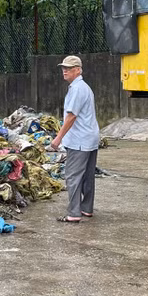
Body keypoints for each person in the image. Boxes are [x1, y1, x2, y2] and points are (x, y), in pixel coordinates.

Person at [49, 55, 100, 223]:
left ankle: (73, 213)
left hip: (79, 140)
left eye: (69, 68)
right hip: (90, 138)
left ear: (78, 70)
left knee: (72, 176)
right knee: (87, 176)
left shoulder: (77, 89)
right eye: (63, 68)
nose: (65, 71)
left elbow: (71, 116)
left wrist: (58, 139)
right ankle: (86, 209)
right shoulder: (84, 87)